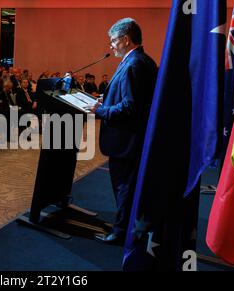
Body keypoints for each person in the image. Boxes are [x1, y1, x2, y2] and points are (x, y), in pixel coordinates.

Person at [91, 18, 158, 245]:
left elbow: (131, 107)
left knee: (124, 189)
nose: (111, 45)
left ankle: (120, 233)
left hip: (127, 140)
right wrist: (107, 99)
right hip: (133, 139)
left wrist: (102, 110)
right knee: (128, 187)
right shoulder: (142, 60)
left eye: (113, 41)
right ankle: (127, 227)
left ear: (126, 39)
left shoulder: (133, 64)